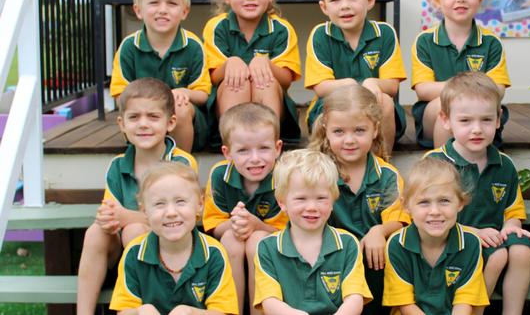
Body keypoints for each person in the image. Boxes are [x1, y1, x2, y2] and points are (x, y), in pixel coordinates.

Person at [77, 78, 198, 315]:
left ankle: (139, 306)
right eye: (134, 117)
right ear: (122, 124)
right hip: (121, 248)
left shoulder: (182, 163)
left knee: (133, 231)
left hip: (169, 243)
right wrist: (107, 217)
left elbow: (185, 218)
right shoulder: (117, 165)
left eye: (153, 117)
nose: (143, 124)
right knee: (95, 233)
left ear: (170, 122)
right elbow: (112, 212)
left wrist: (126, 217)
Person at [424, 72, 530, 315]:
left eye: (486, 120)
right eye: (465, 121)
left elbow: (513, 209)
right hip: (453, 241)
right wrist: (473, 232)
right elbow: (423, 218)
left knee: (522, 249)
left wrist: (511, 226)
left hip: (495, 238)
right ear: (446, 120)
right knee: (496, 256)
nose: (477, 129)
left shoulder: (504, 165)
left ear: (498, 120)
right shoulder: (436, 164)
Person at [308, 84, 410, 315]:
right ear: (326, 130)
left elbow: (400, 217)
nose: (349, 140)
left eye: (359, 131)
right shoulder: (317, 172)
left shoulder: (386, 175)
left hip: (372, 257)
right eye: (339, 132)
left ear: (375, 129)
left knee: (393, 246)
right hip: (330, 255)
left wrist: (379, 231)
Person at [109, 161, 238, 314]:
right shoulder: (134, 253)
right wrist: (141, 311)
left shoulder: (213, 253)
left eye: (180, 201)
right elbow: (123, 310)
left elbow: (222, 311)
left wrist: (190, 313)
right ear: (145, 211)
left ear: (199, 204)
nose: (171, 212)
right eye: (159, 204)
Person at [304, 0, 407, 153]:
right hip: (332, 107)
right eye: (335, 0)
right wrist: (353, 84)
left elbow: (392, 85)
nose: (345, 6)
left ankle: (381, 164)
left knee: (384, 100)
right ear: (324, 7)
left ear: (370, 0)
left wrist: (372, 83)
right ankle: (332, 164)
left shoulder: (384, 33)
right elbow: (321, 87)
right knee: (330, 112)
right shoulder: (320, 35)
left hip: (373, 107)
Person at [254, 149, 372, 315]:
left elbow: (354, 297)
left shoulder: (347, 244)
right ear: (282, 202)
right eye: (301, 198)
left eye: (321, 198)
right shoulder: (267, 248)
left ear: (332, 200)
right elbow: (270, 301)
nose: (311, 207)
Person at [109, 0, 212, 152]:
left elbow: (203, 94)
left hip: (186, 123)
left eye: (172, 3)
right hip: (144, 117)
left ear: (184, 11)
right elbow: (119, 95)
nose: (162, 10)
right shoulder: (129, 47)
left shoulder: (193, 46)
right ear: (138, 10)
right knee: (140, 112)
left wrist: (184, 93)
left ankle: (179, 168)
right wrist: (148, 103)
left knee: (179, 108)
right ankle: (144, 166)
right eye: (154, 2)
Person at [411, 0, 511, 149]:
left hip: (478, 116)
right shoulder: (424, 41)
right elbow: (423, 90)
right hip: (436, 115)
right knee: (446, 108)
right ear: (437, 0)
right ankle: (444, 170)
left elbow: (498, 89)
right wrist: (464, 91)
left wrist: (465, 97)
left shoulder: (491, 43)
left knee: (482, 108)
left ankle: (480, 168)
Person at [203, 0, 301, 142]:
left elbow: (286, 80)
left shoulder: (281, 29)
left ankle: (268, 142)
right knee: (236, 83)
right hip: (226, 104)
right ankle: (233, 142)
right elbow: (213, 78)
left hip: (272, 103)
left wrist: (266, 65)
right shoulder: (216, 27)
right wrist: (231, 63)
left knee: (264, 82)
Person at [203, 102, 285, 315]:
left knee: (258, 241)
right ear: (227, 153)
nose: (255, 158)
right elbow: (212, 226)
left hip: (275, 252)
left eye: (264, 148)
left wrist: (256, 225)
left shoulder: (284, 177)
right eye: (243, 150)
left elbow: (286, 232)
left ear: (277, 148)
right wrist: (235, 224)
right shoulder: (219, 175)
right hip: (231, 245)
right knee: (231, 239)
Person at [383, 158, 489, 314]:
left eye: (444, 200)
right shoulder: (397, 244)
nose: (435, 211)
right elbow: (404, 303)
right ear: (406, 206)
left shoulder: (470, 242)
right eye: (424, 202)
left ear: (460, 203)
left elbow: (465, 301)